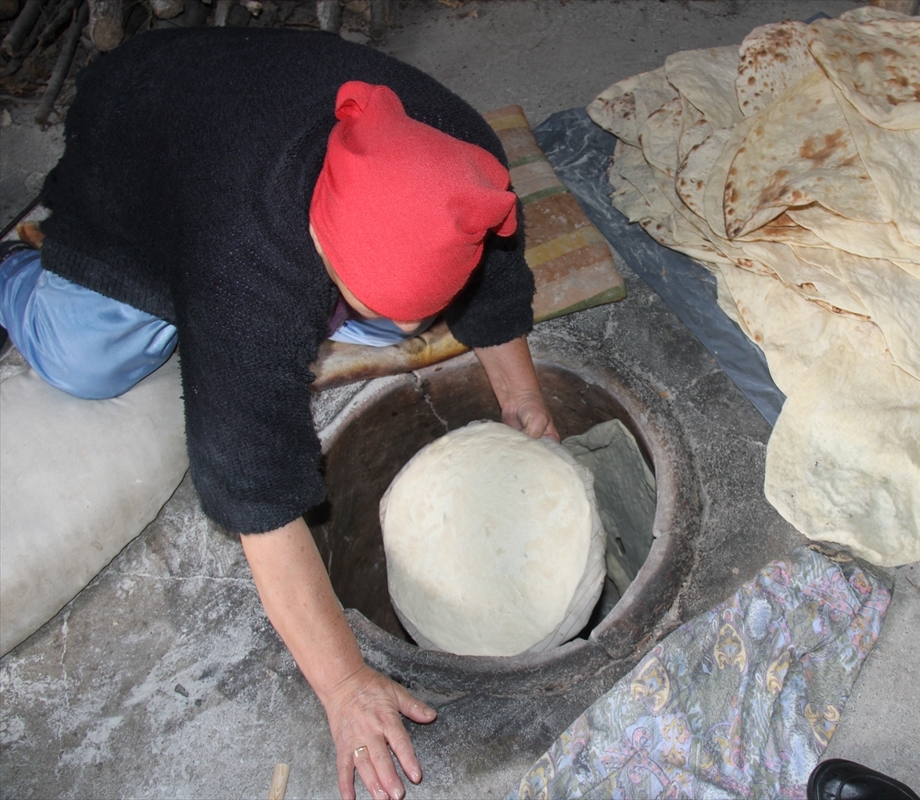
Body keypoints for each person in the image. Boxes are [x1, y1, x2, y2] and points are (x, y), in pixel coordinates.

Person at [0, 26, 558, 800]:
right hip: (134, 143)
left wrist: (524, 399)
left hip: (247, 127)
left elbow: (494, 277)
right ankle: (21, 272)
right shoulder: (244, 267)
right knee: (86, 361)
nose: (399, 336)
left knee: (414, 312)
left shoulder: (458, 156)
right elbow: (253, 492)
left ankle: (366, 300)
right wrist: (344, 685)